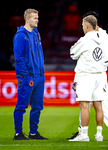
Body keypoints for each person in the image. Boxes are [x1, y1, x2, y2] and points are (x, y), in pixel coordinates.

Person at [67, 11, 108, 141]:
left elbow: (75, 55)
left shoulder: (96, 38)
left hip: (93, 73)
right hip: (97, 73)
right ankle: (97, 133)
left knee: (88, 104)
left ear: (87, 24)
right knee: (99, 104)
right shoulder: (101, 37)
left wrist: (100, 67)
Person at [13, 9, 47, 140]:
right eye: (35, 18)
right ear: (27, 19)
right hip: (28, 77)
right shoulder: (20, 36)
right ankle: (18, 133)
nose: (37, 20)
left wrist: (41, 73)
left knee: (37, 107)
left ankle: (33, 133)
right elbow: (18, 58)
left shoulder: (36, 34)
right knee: (22, 105)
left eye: (37, 18)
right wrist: (26, 76)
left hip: (39, 76)